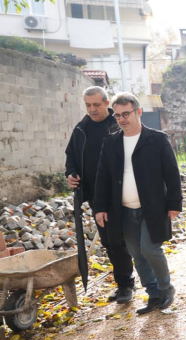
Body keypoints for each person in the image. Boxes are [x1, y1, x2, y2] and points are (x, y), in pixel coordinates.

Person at [94, 92, 182, 315]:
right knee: (136, 253)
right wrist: (100, 207)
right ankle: (153, 294)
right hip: (122, 210)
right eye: (117, 116)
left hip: (153, 207)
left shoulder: (157, 139)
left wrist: (174, 203)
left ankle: (166, 288)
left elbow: (172, 173)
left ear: (138, 112)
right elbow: (102, 177)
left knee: (150, 248)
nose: (122, 119)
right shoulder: (111, 142)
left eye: (126, 114)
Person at [65, 87, 135, 303]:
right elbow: (71, 156)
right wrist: (71, 174)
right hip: (98, 195)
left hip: (126, 190)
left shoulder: (118, 124)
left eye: (96, 104)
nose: (92, 109)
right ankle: (125, 284)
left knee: (137, 238)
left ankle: (152, 282)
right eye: (88, 105)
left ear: (106, 103)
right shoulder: (81, 129)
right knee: (111, 240)